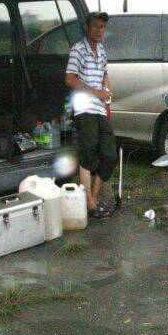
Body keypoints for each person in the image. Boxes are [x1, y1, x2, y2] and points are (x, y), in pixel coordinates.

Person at [65, 11, 117, 219]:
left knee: (110, 155)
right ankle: (89, 204)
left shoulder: (102, 50)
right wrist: (96, 92)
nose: (99, 30)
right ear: (87, 28)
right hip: (84, 108)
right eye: (95, 26)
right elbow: (69, 79)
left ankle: (91, 199)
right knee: (87, 154)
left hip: (99, 108)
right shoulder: (78, 50)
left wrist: (107, 93)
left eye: (102, 27)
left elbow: (105, 74)